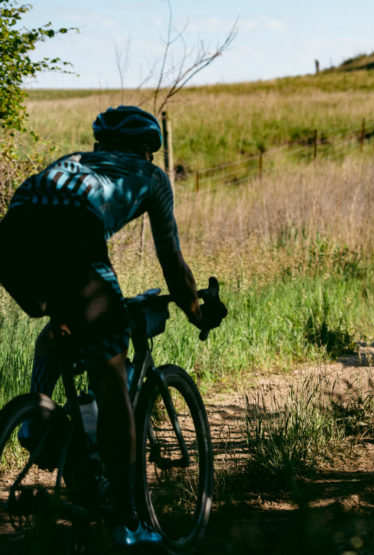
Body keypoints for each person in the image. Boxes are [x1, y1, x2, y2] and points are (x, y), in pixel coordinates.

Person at [0, 106, 221, 547]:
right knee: (110, 371)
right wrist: (197, 311)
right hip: (73, 231)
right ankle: (126, 521)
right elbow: (173, 265)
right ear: (147, 150)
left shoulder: (77, 160)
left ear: (102, 144)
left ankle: (36, 424)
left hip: (13, 233)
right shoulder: (151, 177)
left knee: (61, 326)